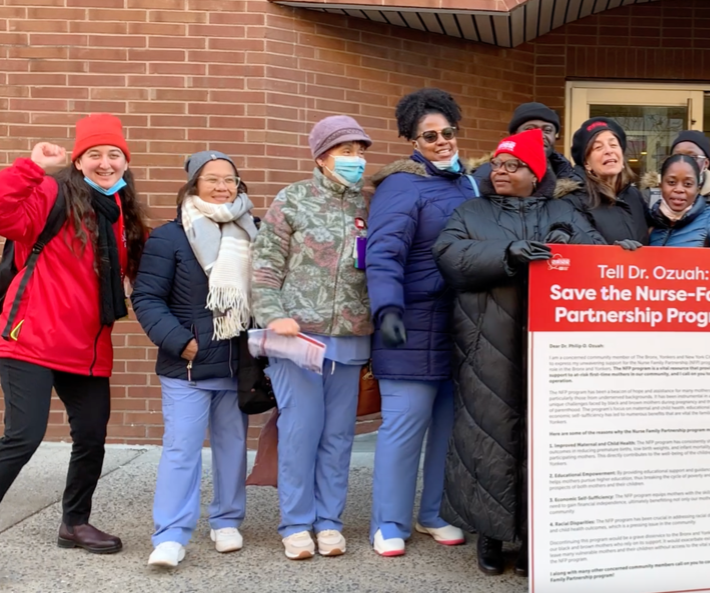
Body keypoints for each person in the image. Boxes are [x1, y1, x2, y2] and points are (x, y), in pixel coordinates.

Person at [433, 128, 604, 578]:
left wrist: (581, 246)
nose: (500, 172)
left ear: (535, 173)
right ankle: (490, 535)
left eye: (513, 165)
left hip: (550, 346)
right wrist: (506, 253)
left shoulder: (563, 210)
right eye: (497, 164)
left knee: (540, 442)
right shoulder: (472, 211)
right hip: (486, 341)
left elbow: (595, 253)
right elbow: (450, 255)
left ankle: (533, 537)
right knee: (487, 436)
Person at [0, 114, 148, 554]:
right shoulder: (51, 193)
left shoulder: (122, 211)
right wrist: (32, 168)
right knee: (23, 436)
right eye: (94, 155)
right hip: (32, 338)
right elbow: (5, 213)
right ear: (79, 161)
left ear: (125, 161)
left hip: (87, 345)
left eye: (114, 154)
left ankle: (75, 523)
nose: (106, 163)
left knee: (91, 435)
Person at [252, 115, 375, 560]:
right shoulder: (293, 200)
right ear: (322, 157)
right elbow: (264, 266)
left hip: (352, 337)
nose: (355, 160)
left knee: (339, 436)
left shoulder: (368, 205)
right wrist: (273, 315)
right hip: (299, 341)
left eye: (360, 152)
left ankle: (330, 521)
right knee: (301, 431)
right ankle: (296, 523)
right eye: (346, 152)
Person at [365, 88, 476, 557]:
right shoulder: (401, 186)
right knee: (404, 427)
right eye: (429, 135)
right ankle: (388, 522)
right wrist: (387, 309)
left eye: (447, 132)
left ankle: (435, 512)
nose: (441, 141)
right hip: (410, 324)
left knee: (449, 431)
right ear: (412, 139)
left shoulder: (468, 184)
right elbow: (383, 252)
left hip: (461, 326)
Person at [132, 151, 255, 567]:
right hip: (187, 363)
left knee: (233, 446)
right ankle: (170, 534)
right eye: (212, 179)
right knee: (181, 449)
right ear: (192, 185)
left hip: (237, 363)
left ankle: (226, 521)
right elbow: (147, 297)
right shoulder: (170, 237)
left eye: (230, 180)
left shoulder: (252, 230)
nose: (223, 187)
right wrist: (179, 341)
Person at [563, 117, 650, 249]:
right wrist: (611, 254)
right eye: (598, 147)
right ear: (587, 163)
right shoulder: (573, 201)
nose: (609, 151)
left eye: (613, 145)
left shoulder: (635, 196)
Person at [644, 155, 710, 248]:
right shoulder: (650, 220)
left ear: (698, 189)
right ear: (660, 185)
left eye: (688, 184)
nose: (679, 189)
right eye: (671, 182)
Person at [473, 102, 576, 183]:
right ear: (514, 135)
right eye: (530, 129)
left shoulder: (569, 176)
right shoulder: (487, 175)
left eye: (547, 130)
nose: (540, 136)